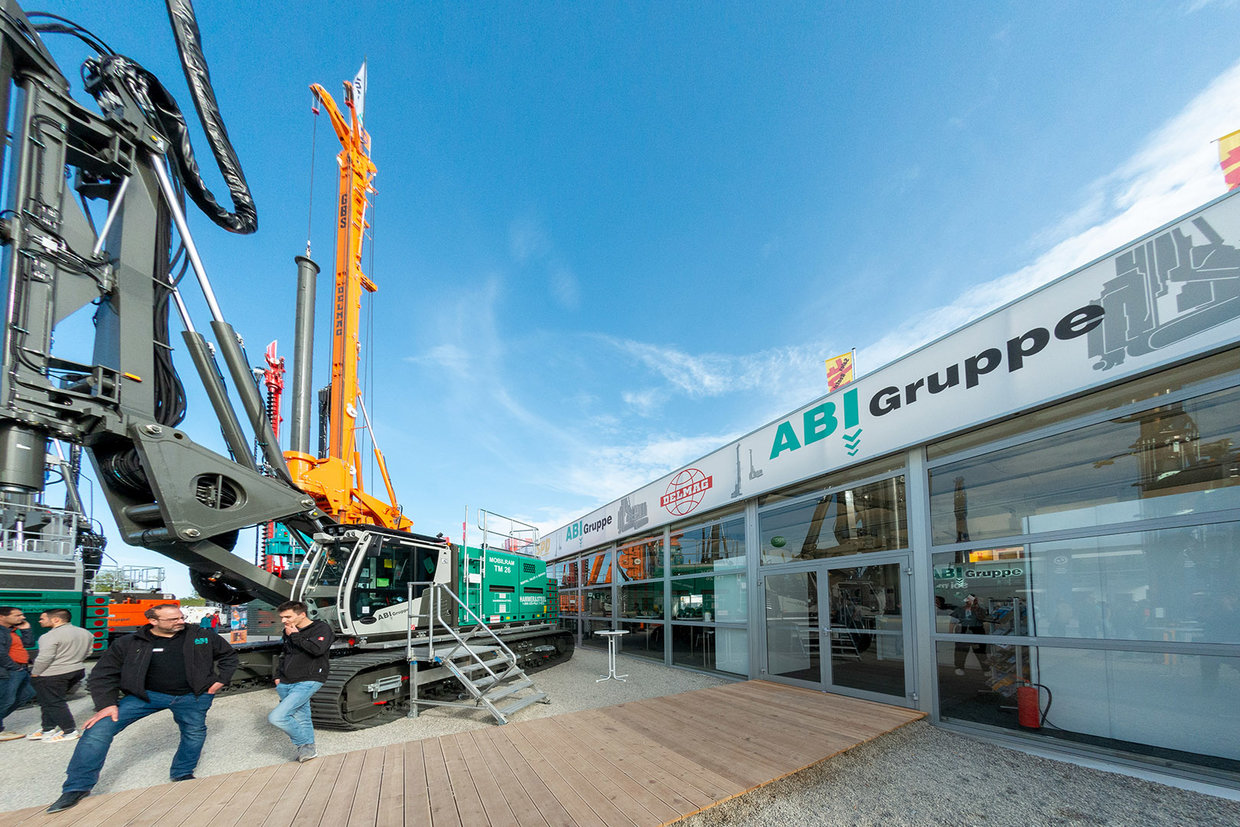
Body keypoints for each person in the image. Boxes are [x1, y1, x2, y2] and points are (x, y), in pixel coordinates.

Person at [46, 604, 238, 814]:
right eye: (173, 619)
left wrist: (221, 681)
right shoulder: (129, 643)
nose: (180, 622)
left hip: (192, 697)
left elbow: (228, 656)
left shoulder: (201, 635)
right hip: (146, 696)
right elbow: (103, 674)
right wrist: (107, 705)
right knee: (98, 730)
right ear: (153, 621)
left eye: (180, 617)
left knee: (194, 733)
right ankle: (77, 787)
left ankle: (182, 773)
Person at [268, 601, 333, 763]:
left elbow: (317, 649)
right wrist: (277, 676)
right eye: (282, 617)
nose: (284, 621)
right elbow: (285, 654)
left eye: (288, 617)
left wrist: (295, 635)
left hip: (309, 679)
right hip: (285, 680)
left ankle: (304, 743)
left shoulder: (322, 628)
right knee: (302, 715)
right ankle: (308, 750)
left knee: (277, 717)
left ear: (302, 614)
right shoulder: (288, 631)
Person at [29, 609, 95, 742]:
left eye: (42, 618)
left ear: (56, 620)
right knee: (48, 700)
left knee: (54, 702)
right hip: (76, 670)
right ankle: (47, 728)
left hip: (52, 673)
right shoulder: (85, 633)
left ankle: (69, 731)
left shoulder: (48, 636)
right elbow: (89, 652)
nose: (39, 621)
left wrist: (35, 672)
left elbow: (44, 658)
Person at [0, 607, 36, 741]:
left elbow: (29, 643)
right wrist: (14, 667)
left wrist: (26, 630)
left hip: (19, 669)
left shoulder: (11, 631)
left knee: (27, 694)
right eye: (17, 615)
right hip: (8, 671)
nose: (22, 618)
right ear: (2, 617)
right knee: (5, 699)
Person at [951, 594, 989, 676]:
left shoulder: (980, 609)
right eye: (969, 600)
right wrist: (950, 634)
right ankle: (959, 667)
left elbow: (984, 619)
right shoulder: (960, 609)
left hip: (977, 630)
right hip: (963, 629)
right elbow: (953, 621)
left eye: (973, 600)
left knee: (980, 651)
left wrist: (977, 609)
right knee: (961, 650)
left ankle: (986, 669)